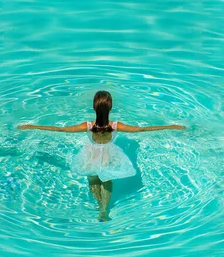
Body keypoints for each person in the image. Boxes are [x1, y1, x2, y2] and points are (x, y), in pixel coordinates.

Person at [18, 90, 185, 221]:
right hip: (108, 155)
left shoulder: (88, 126)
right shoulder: (115, 126)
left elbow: (61, 130)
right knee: (106, 179)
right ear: (110, 107)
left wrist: (32, 126)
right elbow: (140, 130)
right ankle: (104, 209)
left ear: (93, 108)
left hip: (89, 156)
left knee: (93, 180)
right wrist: (171, 126)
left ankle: (100, 207)